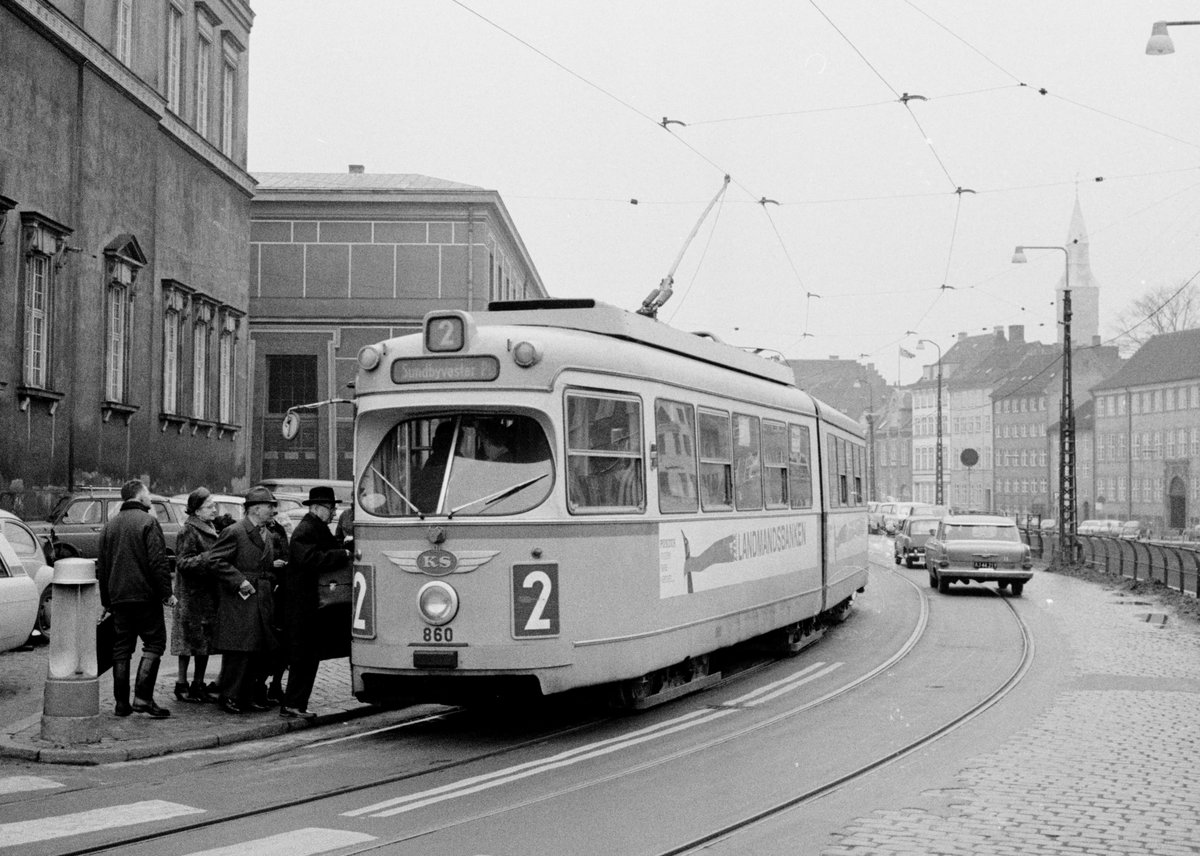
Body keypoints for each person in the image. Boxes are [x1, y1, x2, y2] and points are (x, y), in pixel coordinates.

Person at [96, 479, 176, 718]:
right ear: (140, 498)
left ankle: (122, 703)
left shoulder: (110, 526)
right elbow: (158, 563)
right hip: (145, 597)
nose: (150, 498)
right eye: (148, 494)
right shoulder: (149, 522)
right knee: (154, 644)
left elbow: (104, 567)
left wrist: (106, 601)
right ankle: (142, 698)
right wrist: (167, 594)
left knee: (121, 648)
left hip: (119, 598)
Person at [208, 486, 281, 714]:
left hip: (261, 599)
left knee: (255, 650)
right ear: (256, 509)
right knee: (238, 650)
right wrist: (238, 580)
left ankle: (247, 695)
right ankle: (229, 695)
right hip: (241, 601)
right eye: (270, 507)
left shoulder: (267, 534)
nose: (273, 511)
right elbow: (215, 561)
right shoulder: (235, 532)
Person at [280, 486, 351, 719]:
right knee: (303, 657)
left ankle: (298, 704)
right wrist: (343, 555)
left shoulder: (316, 527)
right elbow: (310, 559)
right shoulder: (306, 530)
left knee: (309, 657)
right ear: (317, 508)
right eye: (330, 508)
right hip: (303, 606)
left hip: (312, 605)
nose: (333, 513)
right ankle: (292, 704)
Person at [170, 488, 221, 703]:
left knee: (205, 643)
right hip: (191, 597)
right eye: (210, 506)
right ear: (197, 510)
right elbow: (182, 562)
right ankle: (181, 684)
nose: (215, 509)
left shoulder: (211, 527)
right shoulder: (188, 531)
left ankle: (198, 684)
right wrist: (209, 557)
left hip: (207, 596)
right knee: (187, 643)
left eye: (214, 505)